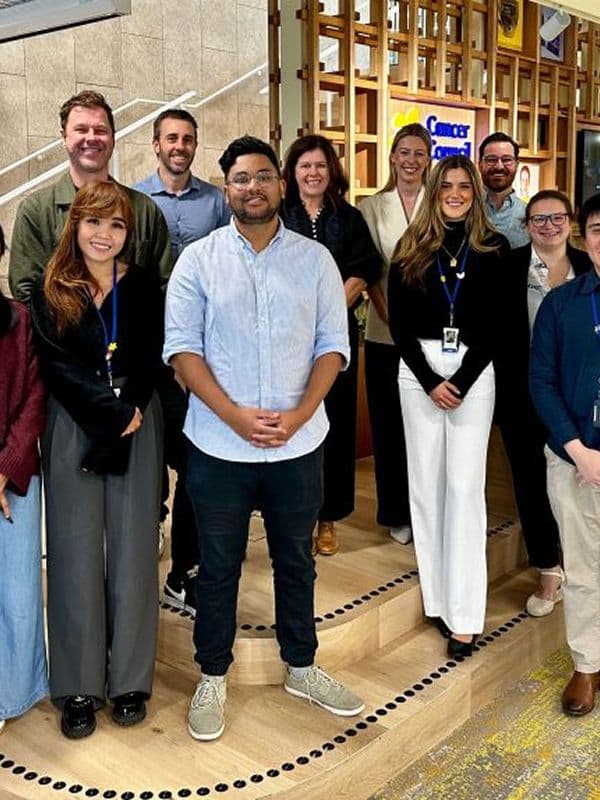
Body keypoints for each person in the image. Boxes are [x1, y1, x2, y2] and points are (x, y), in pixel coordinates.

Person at [164, 134, 364, 742]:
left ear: (281, 184)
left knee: (295, 561)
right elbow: (182, 352)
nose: (252, 187)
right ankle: (213, 674)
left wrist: (302, 414)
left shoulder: (315, 260)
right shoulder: (197, 261)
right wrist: (232, 415)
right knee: (218, 566)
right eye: (240, 179)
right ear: (226, 190)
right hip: (218, 446)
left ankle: (302, 665)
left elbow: (334, 345)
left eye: (262, 176)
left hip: (298, 445)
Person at [30, 181, 164, 739]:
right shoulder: (52, 287)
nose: (104, 235)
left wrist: (128, 408)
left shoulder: (146, 286)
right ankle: (79, 685)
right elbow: (53, 365)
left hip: (138, 419)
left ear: (127, 233)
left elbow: (160, 350)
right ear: (75, 226)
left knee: (134, 548)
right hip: (74, 425)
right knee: (74, 551)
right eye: (93, 223)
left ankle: (131, 678)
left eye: (115, 225)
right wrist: (106, 412)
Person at [388, 155, 509, 658]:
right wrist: (429, 379)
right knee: (427, 488)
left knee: (463, 488)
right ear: (435, 192)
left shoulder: (495, 249)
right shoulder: (410, 248)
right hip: (418, 373)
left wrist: (456, 380)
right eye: (447, 187)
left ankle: (465, 614)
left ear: (474, 193)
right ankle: (438, 598)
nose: (456, 194)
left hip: (473, 373)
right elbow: (397, 323)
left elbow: (497, 325)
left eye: (465, 186)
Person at [135, 108, 230, 614]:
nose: (180, 145)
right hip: (140, 357)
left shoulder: (216, 202)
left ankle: (184, 570)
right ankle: (149, 530)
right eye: (171, 137)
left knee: (193, 461)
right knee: (145, 463)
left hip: (190, 361)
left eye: (188, 138)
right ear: (155, 145)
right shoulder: (132, 199)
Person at [281, 134, 380, 556]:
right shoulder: (279, 215)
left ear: (331, 171)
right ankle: (292, 514)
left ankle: (328, 519)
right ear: (293, 172)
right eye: (305, 166)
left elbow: (367, 267)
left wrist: (329, 306)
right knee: (294, 422)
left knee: (335, 426)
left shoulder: (349, 216)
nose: (313, 173)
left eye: (320, 165)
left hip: (335, 336)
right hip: (287, 339)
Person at [497, 191, 591, 617]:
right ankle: (549, 568)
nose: (548, 225)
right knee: (531, 484)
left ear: (570, 223)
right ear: (526, 224)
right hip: (521, 395)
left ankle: (585, 566)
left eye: (557, 218)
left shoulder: (589, 268)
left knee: (579, 483)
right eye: (539, 219)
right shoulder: (509, 267)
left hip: (577, 399)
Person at [530, 192, 600, 716]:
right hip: (575, 458)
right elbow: (542, 380)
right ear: (583, 235)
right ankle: (586, 665)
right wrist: (579, 450)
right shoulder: (562, 303)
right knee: (581, 566)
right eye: (597, 229)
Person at [9, 89, 171, 304]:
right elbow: (25, 290)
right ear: (64, 138)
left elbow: (165, 286)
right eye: (81, 129)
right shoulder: (36, 210)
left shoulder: (144, 210)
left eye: (100, 130)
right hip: (57, 336)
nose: (91, 138)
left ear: (113, 138)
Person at [359, 123, 432, 545]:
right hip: (384, 331)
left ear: (428, 160)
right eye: (403, 152)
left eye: (419, 153)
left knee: (423, 425)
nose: (410, 160)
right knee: (388, 425)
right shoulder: (372, 207)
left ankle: (425, 508)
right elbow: (369, 269)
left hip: (428, 334)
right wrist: (384, 311)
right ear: (392, 157)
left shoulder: (438, 203)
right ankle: (395, 512)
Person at [0, 225, 48, 736]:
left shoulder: (20, 320)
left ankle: (16, 690)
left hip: (15, 477)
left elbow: (35, 397)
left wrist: (6, 467)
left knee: (17, 591)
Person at [478, 132, 530, 249]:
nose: (499, 166)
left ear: (516, 164)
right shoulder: (465, 210)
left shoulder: (529, 215)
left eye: (506, 160)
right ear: (480, 165)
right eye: (492, 160)